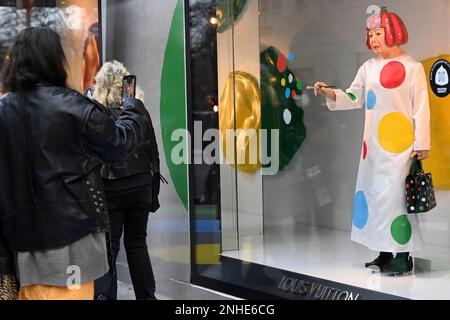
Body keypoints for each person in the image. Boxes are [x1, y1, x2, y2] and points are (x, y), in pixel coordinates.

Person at [0, 27, 150, 300]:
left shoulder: (3, 110)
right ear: (54, 60)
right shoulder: (73, 107)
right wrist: (133, 107)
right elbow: (120, 144)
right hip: (72, 246)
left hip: (22, 250)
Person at [314, 7, 430, 274]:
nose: (374, 39)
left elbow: (421, 108)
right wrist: (330, 93)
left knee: (397, 199)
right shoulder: (368, 67)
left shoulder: (413, 68)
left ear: (393, 33)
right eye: (371, 34)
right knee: (376, 198)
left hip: (402, 148)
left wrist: (421, 144)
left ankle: (403, 254)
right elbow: (354, 96)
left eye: (379, 33)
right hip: (373, 148)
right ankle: (383, 251)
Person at [92, 61, 159, 300]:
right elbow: (153, 150)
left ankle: (104, 297)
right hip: (141, 185)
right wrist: (153, 192)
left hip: (111, 188)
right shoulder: (138, 110)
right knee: (137, 243)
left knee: (109, 250)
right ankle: (147, 297)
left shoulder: (97, 113)